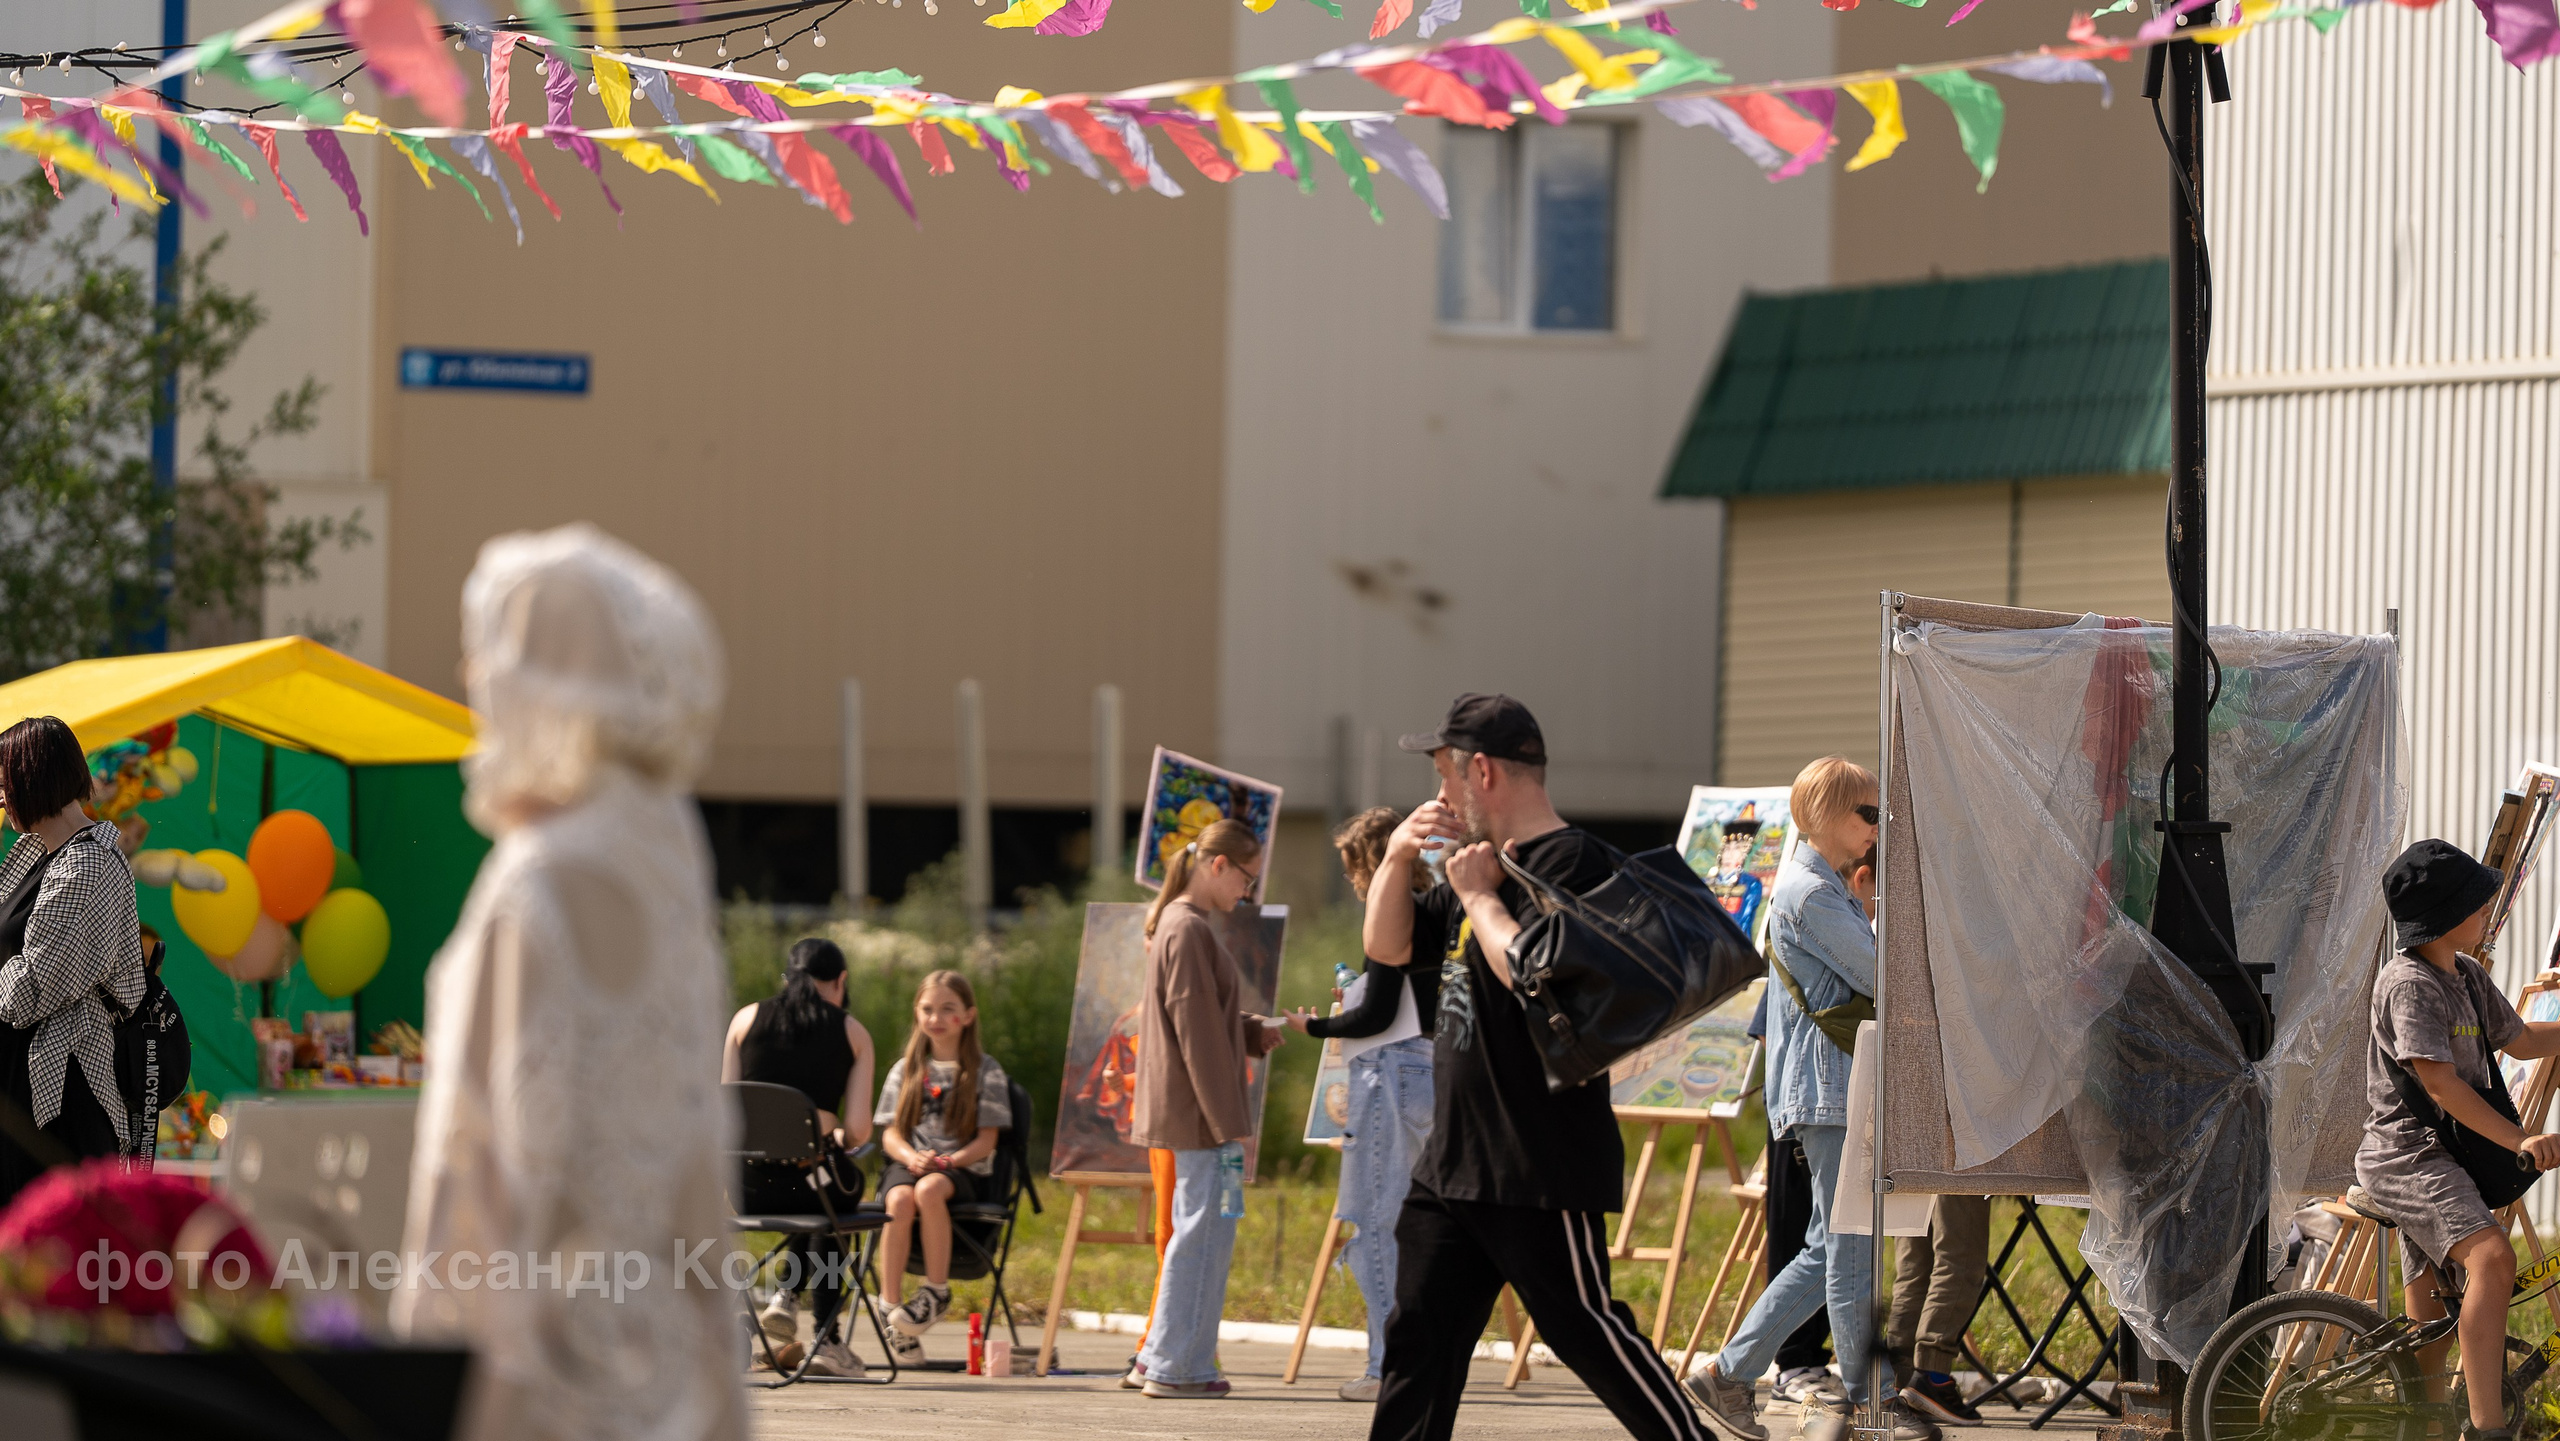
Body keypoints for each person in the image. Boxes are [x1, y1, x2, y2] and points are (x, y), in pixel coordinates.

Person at [393, 524, 746, 1441]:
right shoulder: (665, 849)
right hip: (666, 1353)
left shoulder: (538, 876)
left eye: (486, 655)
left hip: (551, 1362)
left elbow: (478, 1174)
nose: (474, 679)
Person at [1363, 693, 1707, 1441]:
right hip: (1452, 1163)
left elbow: (1534, 974)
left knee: (1587, 1331)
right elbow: (1389, 949)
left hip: (1536, 1157)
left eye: (1444, 778)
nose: (1439, 798)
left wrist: (1482, 896)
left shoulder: (1573, 864)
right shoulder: (1471, 869)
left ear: (1480, 770)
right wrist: (1396, 855)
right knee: (1417, 1341)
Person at [1688, 756, 1939, 1441]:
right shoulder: (1811, 892)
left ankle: (1730, 1375)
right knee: (1848, 1242)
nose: (1874, 826)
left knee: (1831, 1245)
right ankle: (1870, 1401)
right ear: (1825, 814)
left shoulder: (1818, 884)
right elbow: (1880, 973)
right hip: (1830, 1089)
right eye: (1865, 813)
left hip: (1832, 1086)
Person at [2356, 839, 2560, 1441]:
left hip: (2449, 1154)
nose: (2488, 914)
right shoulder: (2409, 985)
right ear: (2446, 918)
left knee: (2434, 1318)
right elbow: (2441, 1086)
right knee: (2493, 1259)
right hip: (2409, 1153)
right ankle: (2486, 1429)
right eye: (2479, 905)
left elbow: (2520, 1041)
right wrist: (2523, 1138)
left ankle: (2424, 1425)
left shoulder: (2466, 974)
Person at [1285, 806, 1438, 1402]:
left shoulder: (1392, 904)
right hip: (1430, 1070)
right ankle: (1415, 1359)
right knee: (1421, 1225)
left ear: (1368, 861)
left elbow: (1377, 1015)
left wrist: (1315, 1026)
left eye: (1352, 868)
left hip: (1389, 1071)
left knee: (1378, 1223)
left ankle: (1386, 1367)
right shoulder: (1438, 903)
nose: (1352, 882)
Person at [1128, 819, 1285, 1400]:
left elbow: (1196, 1019)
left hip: (1191, 1109)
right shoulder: (1188, 928)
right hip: (1200, 1114)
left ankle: (1158, 1357)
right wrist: (1230, 1125)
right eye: (1247, 876)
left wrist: (1247, 1031)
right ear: (1217, 865)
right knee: (1203, 1233)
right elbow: (1192, 1030)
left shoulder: (1180, 923)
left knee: (1197, 1230)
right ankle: (1177, 1366)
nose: (1249, 890)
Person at [0, 715, 146, 1212]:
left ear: (32, 779)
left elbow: (28, 994)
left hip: (61, 1100)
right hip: (22, 1096)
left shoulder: (88, 866)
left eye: (6, 784)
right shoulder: (31, 852)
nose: (1, 798)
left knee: (58, 1264)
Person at [725, 936, 877, 1377]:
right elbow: (861, 1131)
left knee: (814, 1192)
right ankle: (825, 1339)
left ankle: (784, 1297)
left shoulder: (744, 1020)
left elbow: (725, 1108)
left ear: (786, 978)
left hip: (748, 1189)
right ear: (840, 981)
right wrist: (827, 1129)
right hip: (814, 1187)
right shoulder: (852, 1033)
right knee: (835, 1194)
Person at [873, 968, 1012, 1365]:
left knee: (929, 1189)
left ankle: (936, 1291)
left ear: (968, 1015)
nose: (935, 1018)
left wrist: (949, 1160)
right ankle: (890, 1305)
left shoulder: (987, 1071)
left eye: (947, 1009)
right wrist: (909, 1156)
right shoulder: (905, 1070)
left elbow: (987, 1141)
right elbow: (889, 1135)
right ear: (917, 1013)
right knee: (898, 1198)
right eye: (927, 1009)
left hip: (962, 1169)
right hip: (912, 1163)